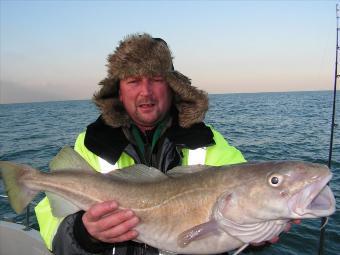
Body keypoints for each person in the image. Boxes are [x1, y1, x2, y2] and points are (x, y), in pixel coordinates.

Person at [34, 33, 247, 255]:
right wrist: (82, 233)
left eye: (156, 79)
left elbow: (252, 191)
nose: (146, 91)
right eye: (133, 81)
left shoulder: (207, 142)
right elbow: (51, 223)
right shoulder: (91, 145)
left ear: (172, 87)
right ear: (119, 91)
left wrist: (261, 229)